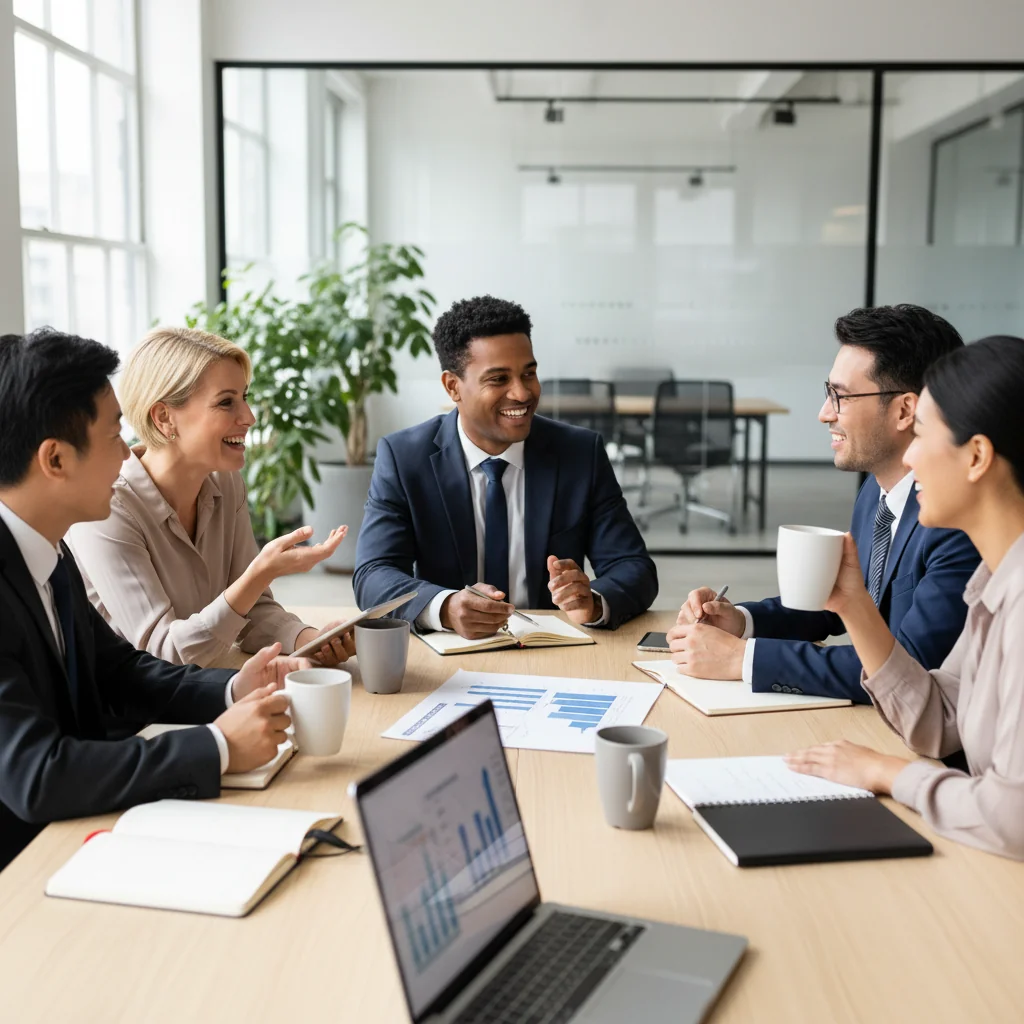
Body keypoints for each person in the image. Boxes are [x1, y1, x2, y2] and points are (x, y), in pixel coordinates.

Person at [0, 328, 307, 871]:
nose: (127, 453)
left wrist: (233, 688)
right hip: (27, 868)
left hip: (91, 827)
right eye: (115, 434)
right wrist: (216, 747)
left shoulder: (47, 549)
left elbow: (120, 670)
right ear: (55, 460)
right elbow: (37, 775)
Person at [786, 336, 1024, 859]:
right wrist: (853, 606)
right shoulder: (997, 575)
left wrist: (889, 772)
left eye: (922, 435)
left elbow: (1014, 816)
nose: (910, 457)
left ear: (977, 456)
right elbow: (940, 718)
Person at [668, 304, 979, 703]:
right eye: (827, 392)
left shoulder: (956, 522)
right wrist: (742, 622)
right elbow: (842, 604)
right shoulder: (876, 492)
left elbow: (907, 670)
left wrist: (743, 660)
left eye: (841, 396)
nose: (823, 414)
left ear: (905, 410)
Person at [354, 295, 658, 638]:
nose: (522, 393)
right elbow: (373, 574)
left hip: (553, 649)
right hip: (450, 654)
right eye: (499, 379)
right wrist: (446, 607)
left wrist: (594, 602)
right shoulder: (404, 457)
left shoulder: (579, 453)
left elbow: (634, 567)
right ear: (453, 386)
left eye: (529, 373)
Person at [68, 327, 354, 669]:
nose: (248, 417)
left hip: (202, 687)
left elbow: (254, 611)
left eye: (244, 397)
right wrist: (257, 575)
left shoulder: (225, 481)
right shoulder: (109, 508)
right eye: (226, 402)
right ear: (164, 418)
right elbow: (162, 654)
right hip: (130, 714)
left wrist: (311, 640)